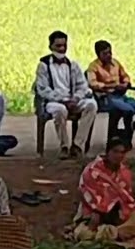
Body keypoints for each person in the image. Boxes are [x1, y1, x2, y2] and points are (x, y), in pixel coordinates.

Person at [35, 30, 98, 159]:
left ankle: (78, 145)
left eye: (64, 45)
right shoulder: (44, 65)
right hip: (54, 102)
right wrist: (63, 100)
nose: (62, 49)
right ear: (50, 46)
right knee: (60, 110)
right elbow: (43, 89)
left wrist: (76, 98)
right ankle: (64, 145)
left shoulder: (72, 65)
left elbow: (83, 86)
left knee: (92, 105)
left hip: (72, 99)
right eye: (58, 46)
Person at [75, 139, 135, 242]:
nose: (118, 155)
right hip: (95, 214)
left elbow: (127, 198)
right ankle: (114, 233)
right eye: (115, 151)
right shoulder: (92, 171)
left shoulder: (125, 173)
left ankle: (111, 233)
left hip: (119, 216)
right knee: (84, 233)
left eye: (122, 152)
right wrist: (99, 210)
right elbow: (87, 194)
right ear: (107, 152)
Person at [88, 40, 135, 141]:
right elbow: (92, 84)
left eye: (110, 52)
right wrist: (112, 86)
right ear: (98, 54)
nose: (108, 55)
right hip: (107, 98)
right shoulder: (93, 67)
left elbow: (125, 76)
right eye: (105, 53)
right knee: (128, 110)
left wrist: (125, 84)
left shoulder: (115, 63)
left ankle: (133, 127)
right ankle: (126, 138)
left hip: (122, 96)